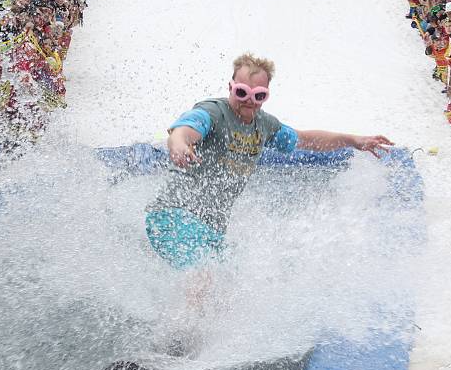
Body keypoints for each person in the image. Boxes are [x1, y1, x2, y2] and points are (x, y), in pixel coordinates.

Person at [145, 53, 392, 313]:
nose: (249, 102)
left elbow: (305, 139)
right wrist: (180, 145)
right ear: (231, 87)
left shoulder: (264, 125)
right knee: (203, 273)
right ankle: (182, 339)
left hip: (210, 229)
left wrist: (352, 140)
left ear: (266, 95)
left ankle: (202, 335)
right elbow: (184, 130)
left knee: (232, 284)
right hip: (172, 215)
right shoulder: (212, 113)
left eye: (258, 95)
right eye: (242, 93)